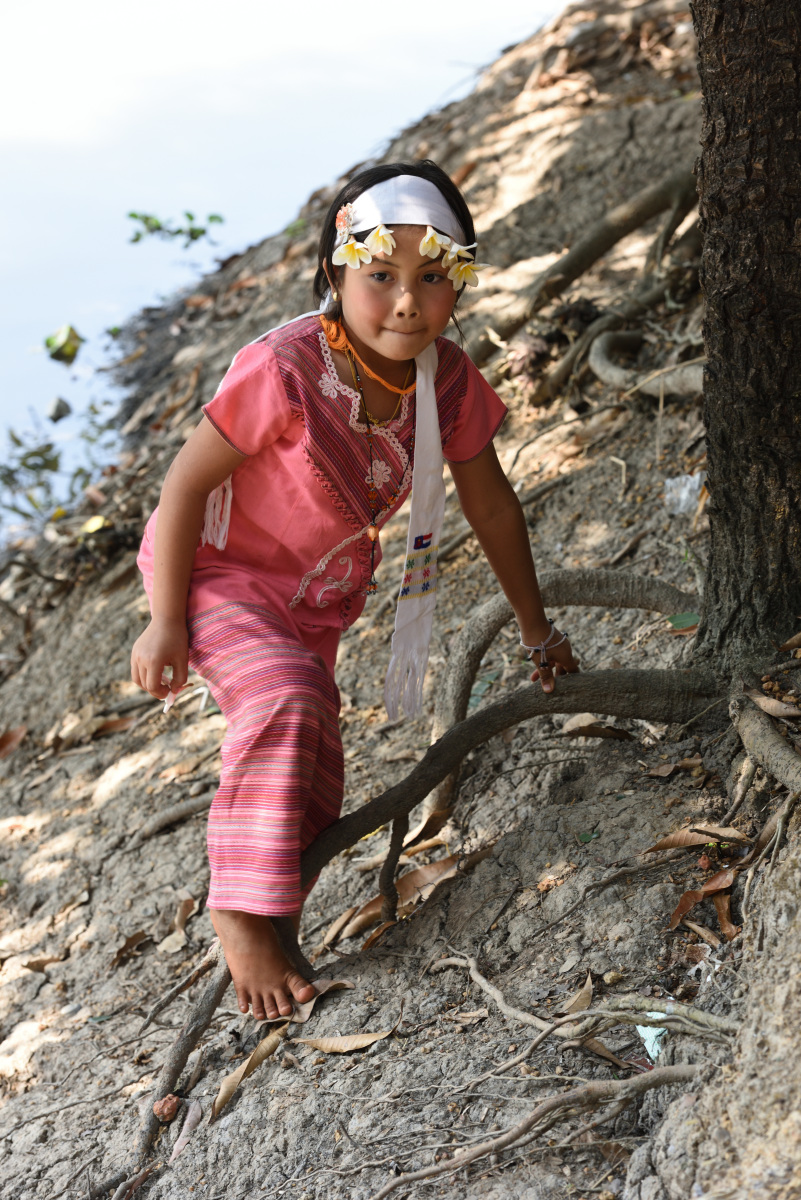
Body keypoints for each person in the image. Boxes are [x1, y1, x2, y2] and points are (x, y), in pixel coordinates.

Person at [131, 160, 579, 1022]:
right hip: (212, 572)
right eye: (380, 277)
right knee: (287, 701)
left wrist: (536, 630)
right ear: (335, 273)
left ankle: (278, 913)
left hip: (310, 598)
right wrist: (162, 622)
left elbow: (489, 505)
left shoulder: (444, 383)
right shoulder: (286, 368)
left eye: (433, 280)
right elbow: (184, 486)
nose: (406, 302)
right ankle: (236, 913)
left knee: (318, 778)